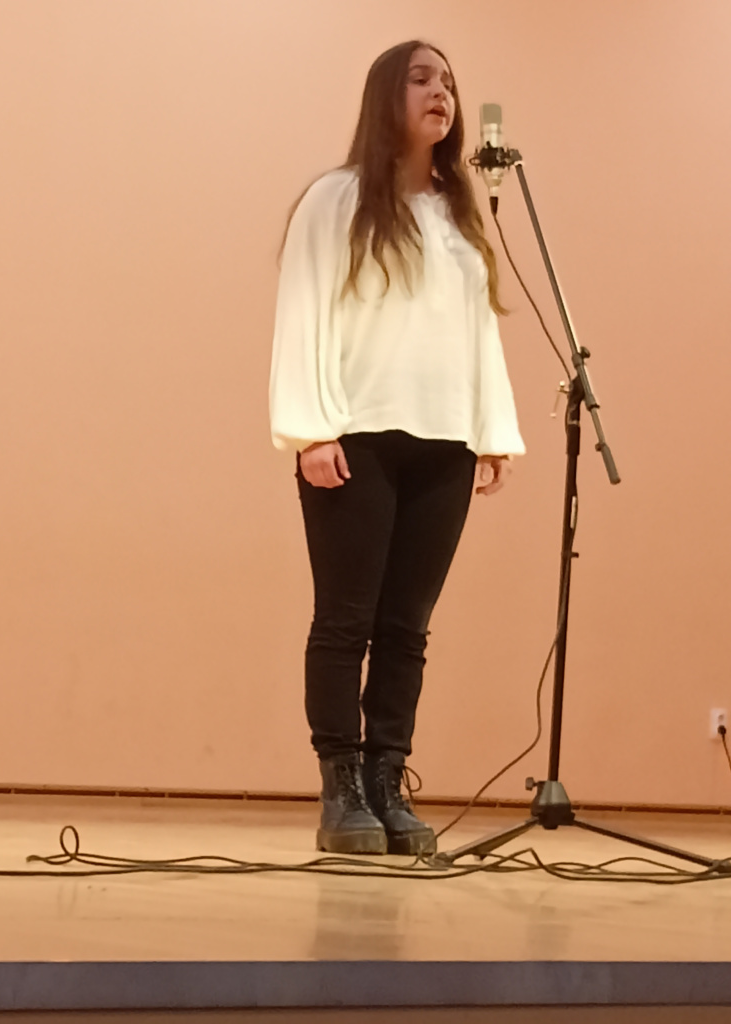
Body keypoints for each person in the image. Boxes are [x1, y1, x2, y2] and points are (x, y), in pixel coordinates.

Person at [269, 40, 525, 857]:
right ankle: (341, 788)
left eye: (448, 81)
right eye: (421, 79)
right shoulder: (335, 199)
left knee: (407, 627)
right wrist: (310, 429)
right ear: (387, 97)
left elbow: (479, 330)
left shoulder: (459, 215)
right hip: (356, 439)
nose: (440, 92)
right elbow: (302, 311)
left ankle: (386, 779)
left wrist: (491, 431)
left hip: (444, 444)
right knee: (347, 620)